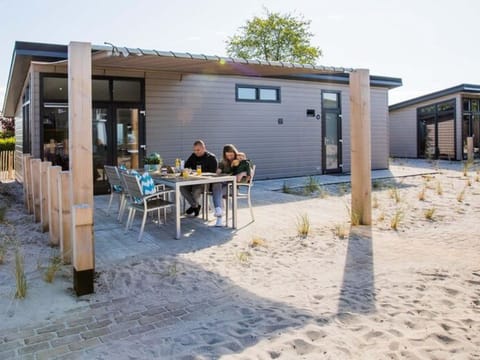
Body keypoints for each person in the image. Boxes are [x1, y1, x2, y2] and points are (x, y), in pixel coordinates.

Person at [180, 140, 218, 217]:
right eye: (194, 150)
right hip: (192, 181)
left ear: (204, 148)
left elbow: (213, 173)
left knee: (195, 189)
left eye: (198, 150)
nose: (196, 152)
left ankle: (194, 206)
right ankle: (195, 206)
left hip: (205, 183)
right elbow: (186, 166)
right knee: (182, 187)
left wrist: (199, 174)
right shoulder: (193, 156)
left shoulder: (211, 158)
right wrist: (188, 170)